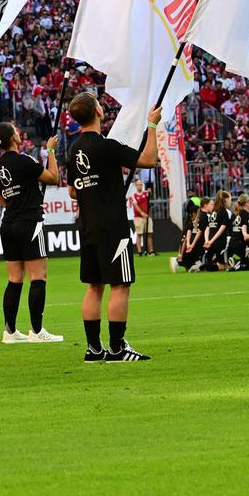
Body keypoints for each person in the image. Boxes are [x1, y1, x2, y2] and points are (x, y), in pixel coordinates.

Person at [63, 94, 160, 363]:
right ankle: (117, 349)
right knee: (120, 285)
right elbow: (149, 159)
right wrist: (152, 125)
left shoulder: (73, 150)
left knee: (94, 287)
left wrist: (99, 186)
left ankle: (94, 349)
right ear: (97, 110)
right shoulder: (107, 146)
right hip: (113, 228)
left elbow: (73, 190)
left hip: (88, 228)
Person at [0, 122, 63, 344]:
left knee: (14, 279)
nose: (19, 133)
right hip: (29, 222)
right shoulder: (25, 160)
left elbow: (2, 200)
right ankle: (37, 331)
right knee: (38, 277)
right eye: (15, 131)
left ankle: (10, 332)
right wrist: (50, 151)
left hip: (8, 224)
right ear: (12, 138)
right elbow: (53, 178)